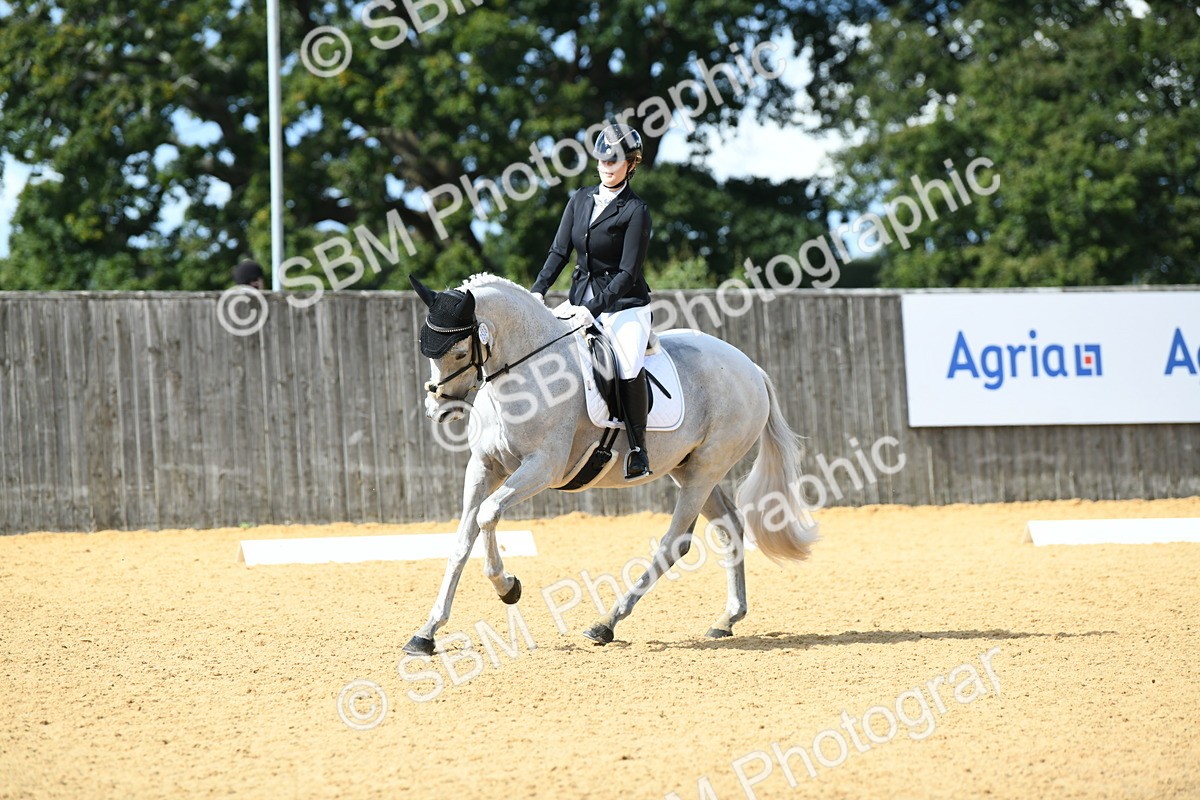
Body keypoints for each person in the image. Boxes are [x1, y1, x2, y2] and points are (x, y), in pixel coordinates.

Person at [530, 123, 654, 480]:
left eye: (615, 161)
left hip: (624, 306)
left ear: (631, 165)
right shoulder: (580, 199)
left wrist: (593, 308)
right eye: (602, 159)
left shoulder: (636, 210)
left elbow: (628, 272)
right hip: (578, 299)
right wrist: (538, 289)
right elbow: (559, 251)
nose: (606, 166)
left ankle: (637, 450)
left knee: (628, 366)